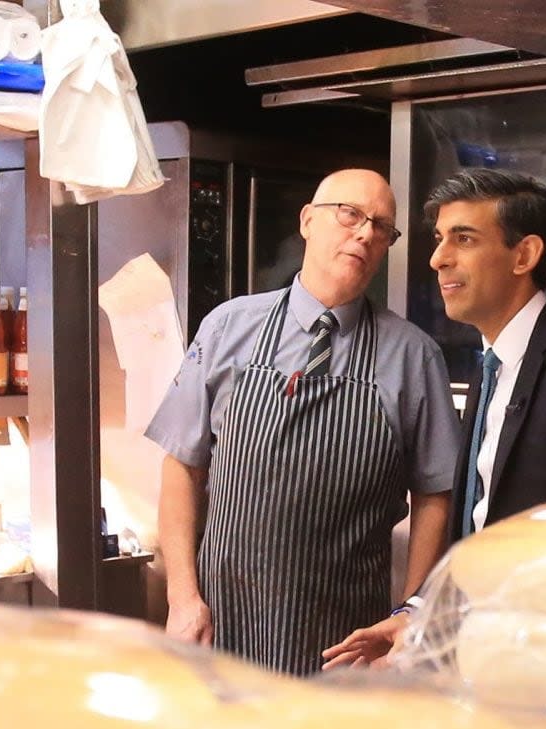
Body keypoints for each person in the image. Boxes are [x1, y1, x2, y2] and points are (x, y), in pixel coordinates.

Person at [321, 167, 546, 669]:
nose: (438, 258)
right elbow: (479, 525)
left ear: (524, 255)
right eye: (440, 239)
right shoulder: (488, 368)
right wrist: (418, 611)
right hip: (487, 661)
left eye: (463, 239)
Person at [146, 168, 462, 676]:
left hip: (344, 643)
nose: (364, 233)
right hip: (225, 627)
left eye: (381, 227)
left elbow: (435, 497)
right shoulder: (228, 327)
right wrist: (183, 598)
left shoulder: (414, 355)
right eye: (350, 214)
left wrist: (409, 619)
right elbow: (182, 466)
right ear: (308, 221)